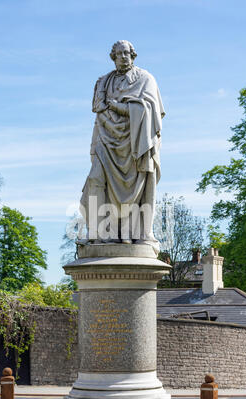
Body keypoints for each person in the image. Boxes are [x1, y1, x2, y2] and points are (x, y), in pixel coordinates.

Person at [80, 40, 165, 246]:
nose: (123, 57)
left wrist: (120, 108)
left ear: (133, 55)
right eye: (119, 54)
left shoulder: (145, 79)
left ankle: (132, 233)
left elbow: (151, 112)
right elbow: (98, 112)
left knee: (135, 189)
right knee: (95, 180)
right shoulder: (103, 81)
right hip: (105, 141)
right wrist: (93, 146)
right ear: (113, 57)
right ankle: (99, 233)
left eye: (126, 53)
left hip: (135, 144)